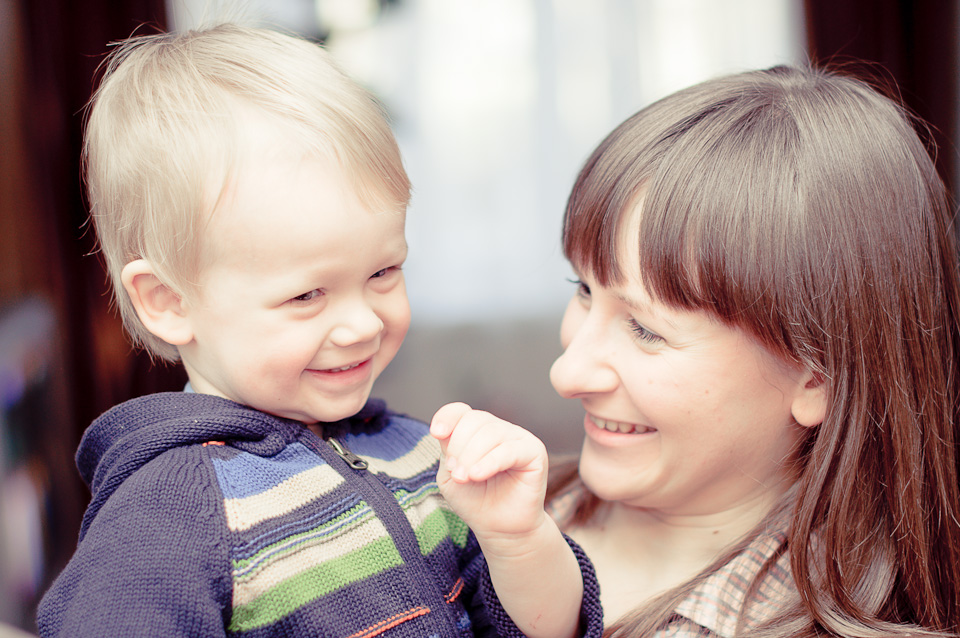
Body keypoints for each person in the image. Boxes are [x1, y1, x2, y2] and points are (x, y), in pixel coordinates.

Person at [36, 23, 602, 638]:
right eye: (307, 295)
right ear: (170, 302)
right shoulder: (169, 516)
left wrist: (516, 536)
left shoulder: (418, 457)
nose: (362, 324)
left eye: (384, 272)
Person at [446, 65, 960, 637]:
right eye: (584, 291)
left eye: (646, 331)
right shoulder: (485, 520)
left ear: (816, 377)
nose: (567, 373)